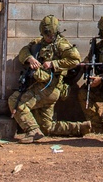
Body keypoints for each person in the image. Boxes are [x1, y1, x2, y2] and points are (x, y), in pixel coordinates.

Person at [9, 15, 91, 143]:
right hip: (43, 88)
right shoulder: (38, 43)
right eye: (46, 34)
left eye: (51, 34)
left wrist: (54, 64)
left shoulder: (62, 45)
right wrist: (30, 58)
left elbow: (75, 59)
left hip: (49, 87)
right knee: (46, 127)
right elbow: (23, 51)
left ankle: (32, 131)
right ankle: (79, 128)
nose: (49, 37)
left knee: (15, 101)